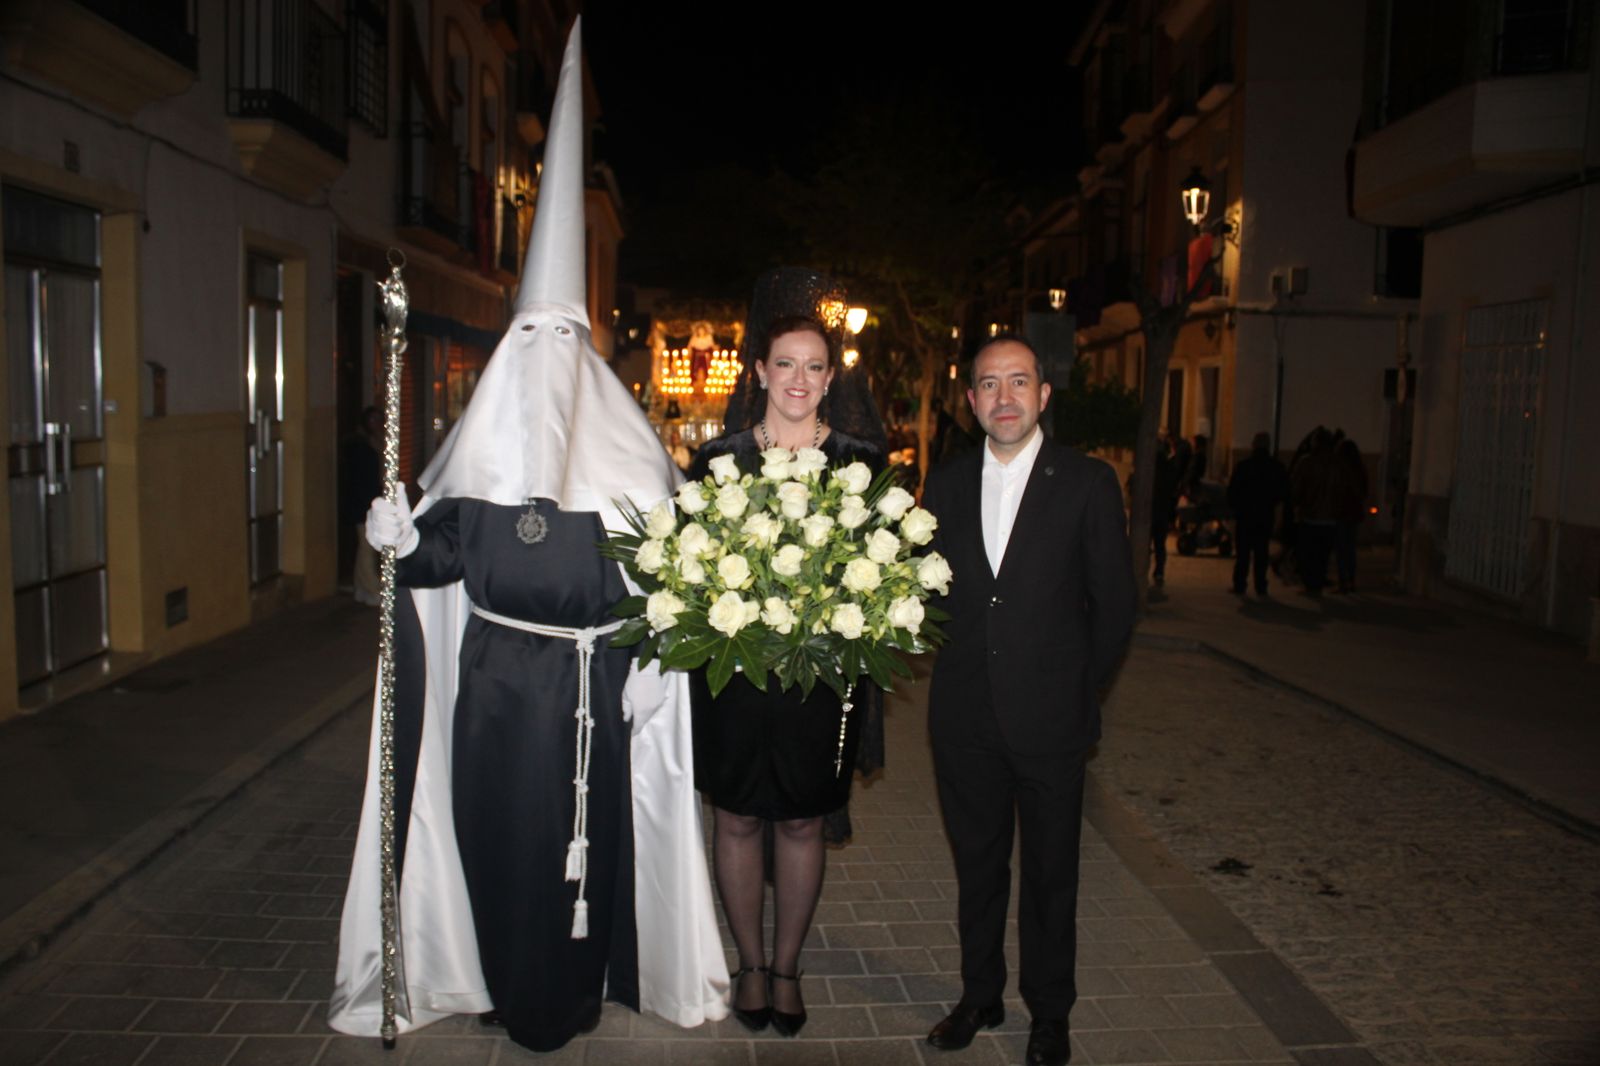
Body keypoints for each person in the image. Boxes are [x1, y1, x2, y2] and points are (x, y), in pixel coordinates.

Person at [328, 21, 726, 1053]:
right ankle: (504, 981)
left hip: (597, 685)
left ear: (586, 355)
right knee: (503, 842)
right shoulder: (481, 466)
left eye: (567, 343)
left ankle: (581, 989)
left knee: (586, 854)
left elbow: (670, 579)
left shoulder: (634, 470)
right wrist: (394, 536)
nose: (549, 364)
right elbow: (437, 560)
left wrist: (651, 660)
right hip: (499, 689)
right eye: (532, 342)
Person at [920, 335, 1135, 1066]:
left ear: (1044, 395)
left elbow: (1114, 608)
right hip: (965, 719)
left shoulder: (1087, 483)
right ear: (971, 399)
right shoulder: (943, 486)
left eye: (1019, 382)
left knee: (1052, 876)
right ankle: (980, 994)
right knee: (978, 869)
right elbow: (926, 596)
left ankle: (1051, 1015)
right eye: (989, 384)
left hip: (1052, 722)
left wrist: (1078, 692)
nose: (1004, 398)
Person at [689, 296, 887, 1040]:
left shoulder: (862, 463)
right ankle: (747, 964)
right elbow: (694, 571)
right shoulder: (718, 460)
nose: (798, 379)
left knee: (802, 819)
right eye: (785, 365)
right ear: (759, 371)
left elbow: (884, 567)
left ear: (831, 377)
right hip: (736, 673)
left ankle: (788, 967)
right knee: (737, 816)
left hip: (823, 677)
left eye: (813, 366)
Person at [1227, 431, 1290, 596]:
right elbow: (1283, 492)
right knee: (1261, 552)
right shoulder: (1276, 468)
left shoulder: (1244, 466)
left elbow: (1233, 492)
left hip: (1245, 515)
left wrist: (1236, 508)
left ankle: (1240, 584)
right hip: (1264, 515)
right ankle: (1261, 585)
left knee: (1243, 553)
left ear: (1253, 445)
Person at [338, 406, 383, 605]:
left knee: (364, 547)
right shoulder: (359, 447)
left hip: (368, 502)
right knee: (367, 547)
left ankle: (361, 588)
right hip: (363, 504)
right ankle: (373, 588)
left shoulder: (373, 443)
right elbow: (361, 479)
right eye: (372, 420)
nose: (376, 424)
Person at [1330, 438, 1368, 593]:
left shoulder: (1341, 469)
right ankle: (1350, 580)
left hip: (1342, 512)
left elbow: (1337, 491)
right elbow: (1363, 491)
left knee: (1341, 548)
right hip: (1354, 512)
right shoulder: (1359, 469)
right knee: (1350, 548)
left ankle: (1343, 581)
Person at [1149, 430, 1178, 588]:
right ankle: (1159, 571)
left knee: (1149, 543)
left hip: (1151, 511)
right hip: (1162, 510)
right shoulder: (1169, 468)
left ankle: (1150, 570)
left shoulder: (1149, 467)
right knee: (1160, 544)